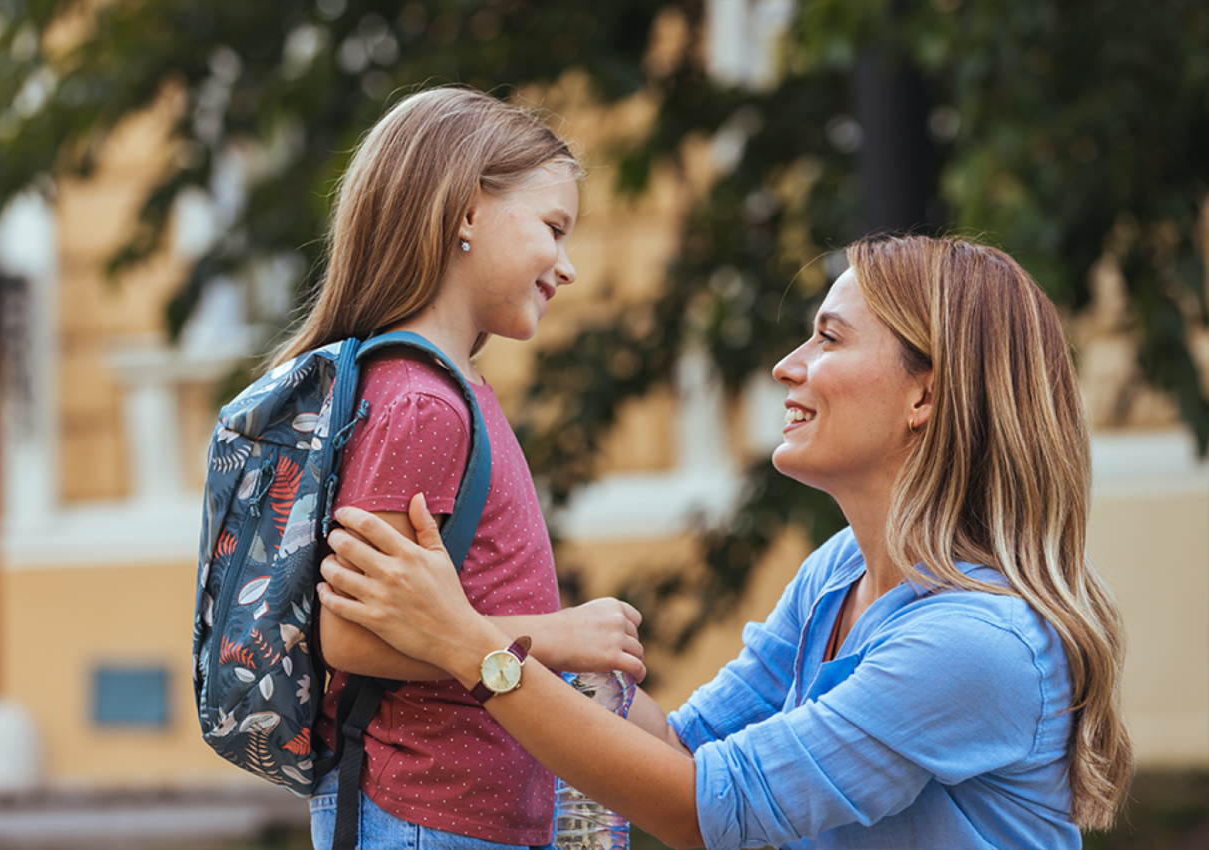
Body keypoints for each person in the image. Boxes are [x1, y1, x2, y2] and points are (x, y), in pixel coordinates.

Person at [316, 233, 1136, 849]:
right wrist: (546, 640)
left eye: (829, 338)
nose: (787, 365)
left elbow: (710, 809)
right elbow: (681, 746)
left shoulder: (971, 642)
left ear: (924, 394)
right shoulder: (839, 574)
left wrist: (472, 648)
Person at [271, 86, 646, 850]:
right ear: (467, 212)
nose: (567, 266)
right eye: (552, 228)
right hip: (423, 819)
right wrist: (559, 636)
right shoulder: (420, 404)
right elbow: (347, 637)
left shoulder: (454, 392)